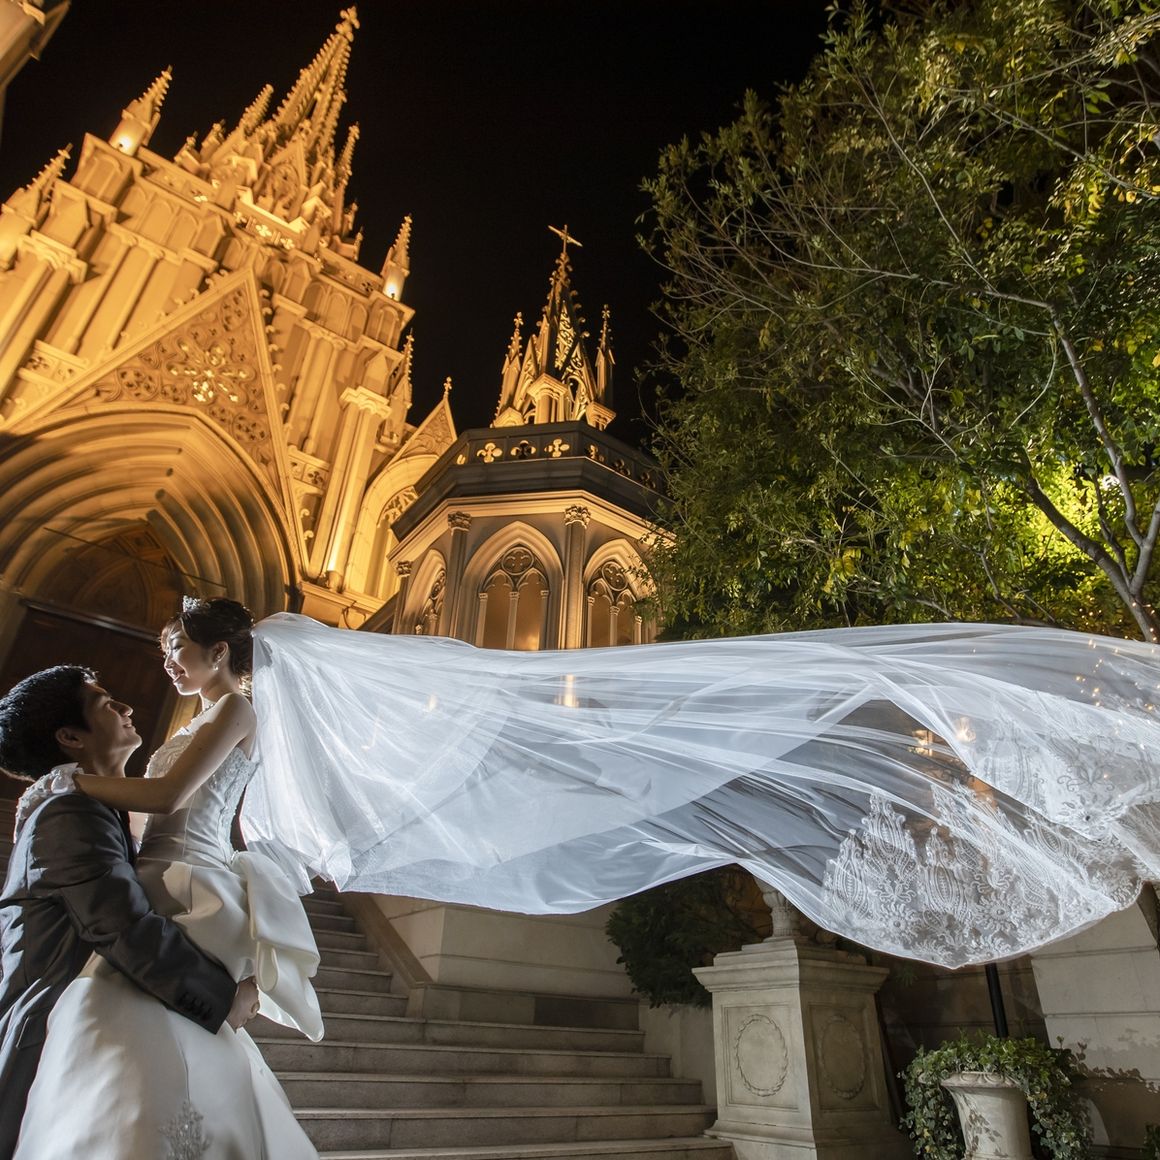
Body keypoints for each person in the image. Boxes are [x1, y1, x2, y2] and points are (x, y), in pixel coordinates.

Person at [6, 600, 320, 1158]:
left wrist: (66, 782)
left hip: (189, 872)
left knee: (129, 1012)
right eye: (165, 651)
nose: (167, 662)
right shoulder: (190, 725)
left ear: (218, 651)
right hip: (158, 867)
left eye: (176, 647)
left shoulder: (236, 708)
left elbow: (169, 796)